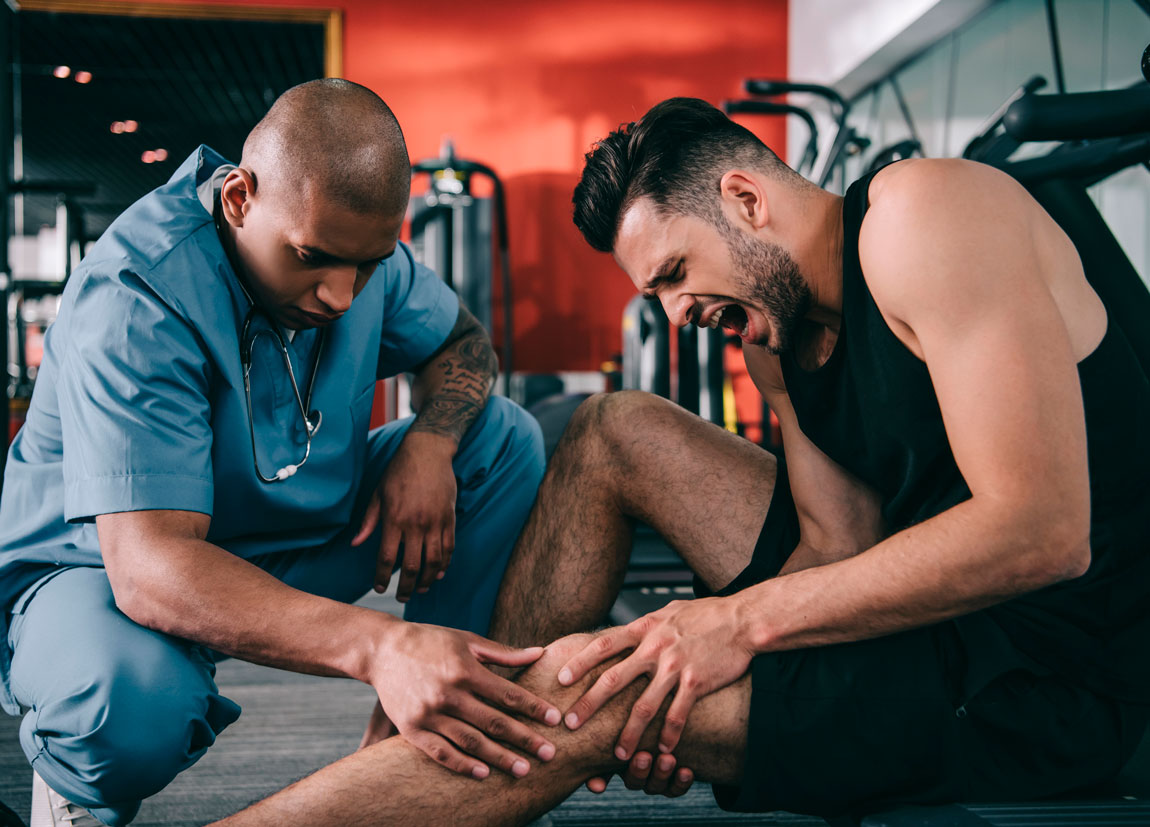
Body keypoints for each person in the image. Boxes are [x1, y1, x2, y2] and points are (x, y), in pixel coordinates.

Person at [209, 96, 1150, 826]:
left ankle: (447, 771)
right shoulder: (778, 341)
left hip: (1058, 673)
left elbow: (1041, 531)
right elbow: (836, 545)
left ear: (745, 198)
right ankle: (459, 751)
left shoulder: (922, 212)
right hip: (926, 614)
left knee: (592, 702)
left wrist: (727, 631)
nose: (673, 312)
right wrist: (683, 663)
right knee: (615, 433)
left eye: (671, 275)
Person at [0, 79, 559, 827]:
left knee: (500, 439)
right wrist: (379, 644)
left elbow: (461, 343)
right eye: (313, 258)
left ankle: (417, 746)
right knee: (128, 707)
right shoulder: (137, 293)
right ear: (238, 199)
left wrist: (430, 439)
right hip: (105, 570)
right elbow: (150, 570)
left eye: (366, 265)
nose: (340, 294)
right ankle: (76, 788)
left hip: (283, 535)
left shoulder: (358, 258)